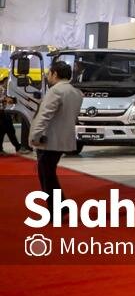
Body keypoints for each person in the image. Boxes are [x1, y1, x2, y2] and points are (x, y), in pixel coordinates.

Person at [28, 61, 84, 196]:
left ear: (55, 74)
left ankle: (58, 206)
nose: (48, 76)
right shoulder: (76, 92)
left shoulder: (55, 91)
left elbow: (44, 116)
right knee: (49, 174)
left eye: (49, 73)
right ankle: (60, 205)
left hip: (49, 140)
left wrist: (35, 136)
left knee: (47, 177)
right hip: (64, 139)